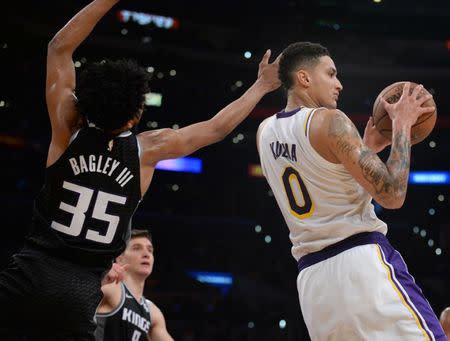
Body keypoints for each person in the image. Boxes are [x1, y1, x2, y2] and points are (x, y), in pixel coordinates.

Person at [0, 0, 281, 339]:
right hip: (78, 296)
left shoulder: (68, 127)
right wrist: (262, 85)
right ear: (134, 116)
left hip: (28, 274)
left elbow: (59, 47)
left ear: (86, 101)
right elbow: (216, 128)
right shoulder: (145, 150)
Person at [256, 41, 446, 340]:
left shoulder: (264, 132)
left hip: (314, 286)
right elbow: (393, 194)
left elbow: (328, 189)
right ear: (304, 78)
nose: (339, 84)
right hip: (361, 266)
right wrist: (402, 128)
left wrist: (367, 150)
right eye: (331, 74)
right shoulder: (331, 121)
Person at [95, 229, 173, 341]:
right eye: (137, 248)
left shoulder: (153, 313)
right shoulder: (111, 288)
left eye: (150, 250)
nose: (146, 254)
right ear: (120, 259)